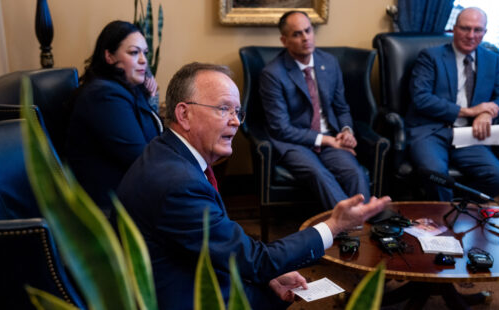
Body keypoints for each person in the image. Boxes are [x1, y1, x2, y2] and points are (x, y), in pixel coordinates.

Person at [116, 62, 391, 310]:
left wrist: (265, 273)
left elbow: (221, 246)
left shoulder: (166, 152)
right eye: (223, 109)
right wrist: (334, 225)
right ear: (184, 114)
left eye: (238, 111)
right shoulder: (179, 183)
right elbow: (254, 261)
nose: (236, 121)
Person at [259, 11, 370, 210]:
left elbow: (341, 107)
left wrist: (346, 131)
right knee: (318, 173)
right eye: (297, 34)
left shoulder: (329, 62)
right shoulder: (272, 74)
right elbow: (280, 128)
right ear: (284, 40)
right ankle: (348, 227)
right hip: (292, 142)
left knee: (354, 172)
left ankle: (363, 225)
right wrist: (327, 140)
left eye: (308, 30)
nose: (305, 38)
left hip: (331, 138)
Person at [406, 7, 499, 201]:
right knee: (435, 174)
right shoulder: (430, 57)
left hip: (469, 136)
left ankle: (456, 210)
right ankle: (444, 223)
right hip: (431, 132)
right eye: (465, 28)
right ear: (454, 29)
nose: (471, 35)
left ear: (485, 32)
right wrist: (471, 111)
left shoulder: (492, 60)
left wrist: (486, 114)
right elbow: (421, 98)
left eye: (478, 30)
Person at [66, 20, 163, 216]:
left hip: (130, 194)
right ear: (109, 56)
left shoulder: (127, 90)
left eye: (145, 52)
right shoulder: (104, 96)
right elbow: (141, 157)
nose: (144, 60)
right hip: (109, 209)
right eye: (134, 53)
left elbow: (153, 137)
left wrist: (149, 98)